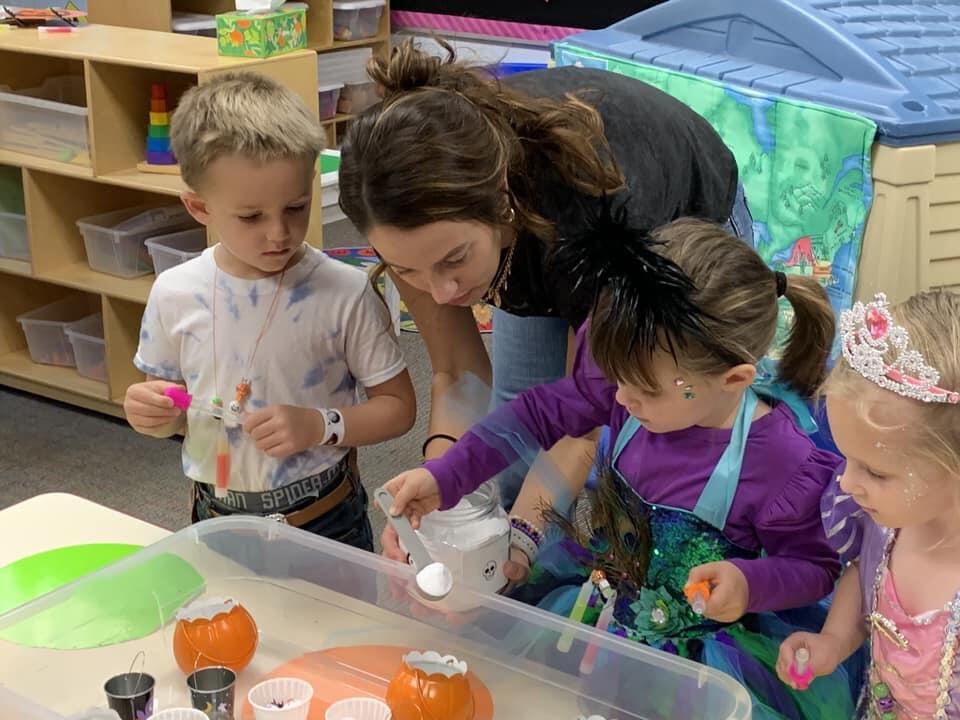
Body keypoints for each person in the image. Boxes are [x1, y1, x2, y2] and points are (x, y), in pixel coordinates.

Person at [384, 219, 854, 719]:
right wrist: (447, 476)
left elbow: (817, 567)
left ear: (734, 379)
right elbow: (533, 415)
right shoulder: (633, 381)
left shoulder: (780, 460)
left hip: (705, 666)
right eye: (616, 380)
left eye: (644, 390)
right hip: (607, 607)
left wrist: (749, 583)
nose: (621, 400)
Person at [338, 39, 754, 523]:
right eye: (408, 270)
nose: (441, 293)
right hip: (535, 238)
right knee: (519, 421)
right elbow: (458, 373)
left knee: (653, 431)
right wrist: (436, 495)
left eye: (454, 259)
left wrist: (523, 538)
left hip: (657, 224)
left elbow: (582, 417)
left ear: (501, 199)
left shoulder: (594, 223)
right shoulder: (406, 222)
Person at [123, 72, 416, 551]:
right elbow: (175, 406)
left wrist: (320, 425)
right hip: (216, 513)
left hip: (324, 516)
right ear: (199, 207)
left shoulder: (344, 292)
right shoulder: (175, 293)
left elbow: (399, 408)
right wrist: (151, 412)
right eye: (251, 216)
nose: (279, 233)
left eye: (296, 207)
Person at [778, 290, 960, 718]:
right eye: (848, 459)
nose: (845, 482)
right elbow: (863, 577)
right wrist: (833, 641)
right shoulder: (885, 523)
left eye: (875, 472)